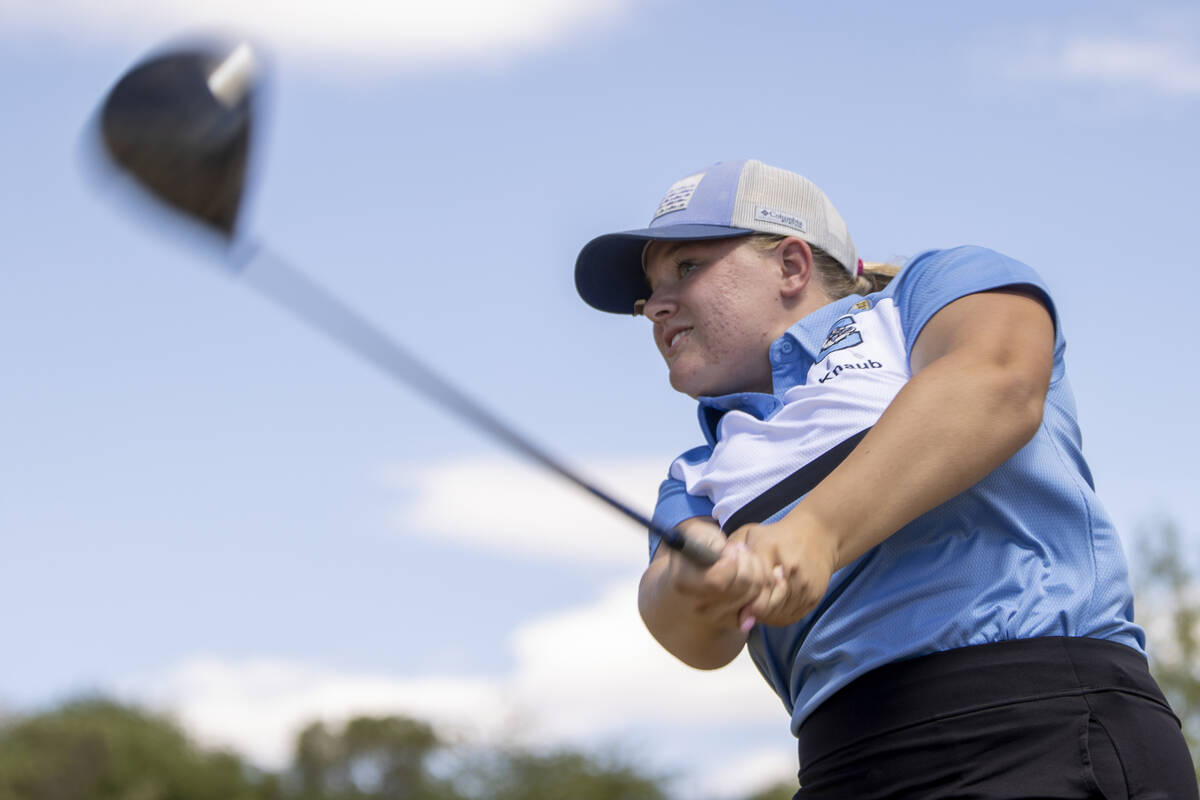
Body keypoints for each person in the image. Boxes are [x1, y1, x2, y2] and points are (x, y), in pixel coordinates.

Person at [574, 159, 1197, 799]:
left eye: (686, 268)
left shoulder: (929, 292)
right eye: (646, 294)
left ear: (792, 265)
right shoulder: (694, 472)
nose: (656, 307)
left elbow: (996, 382)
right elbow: (686, 633)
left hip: (1040, 724)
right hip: (842, 762)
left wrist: (815, 533)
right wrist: (702, 580)